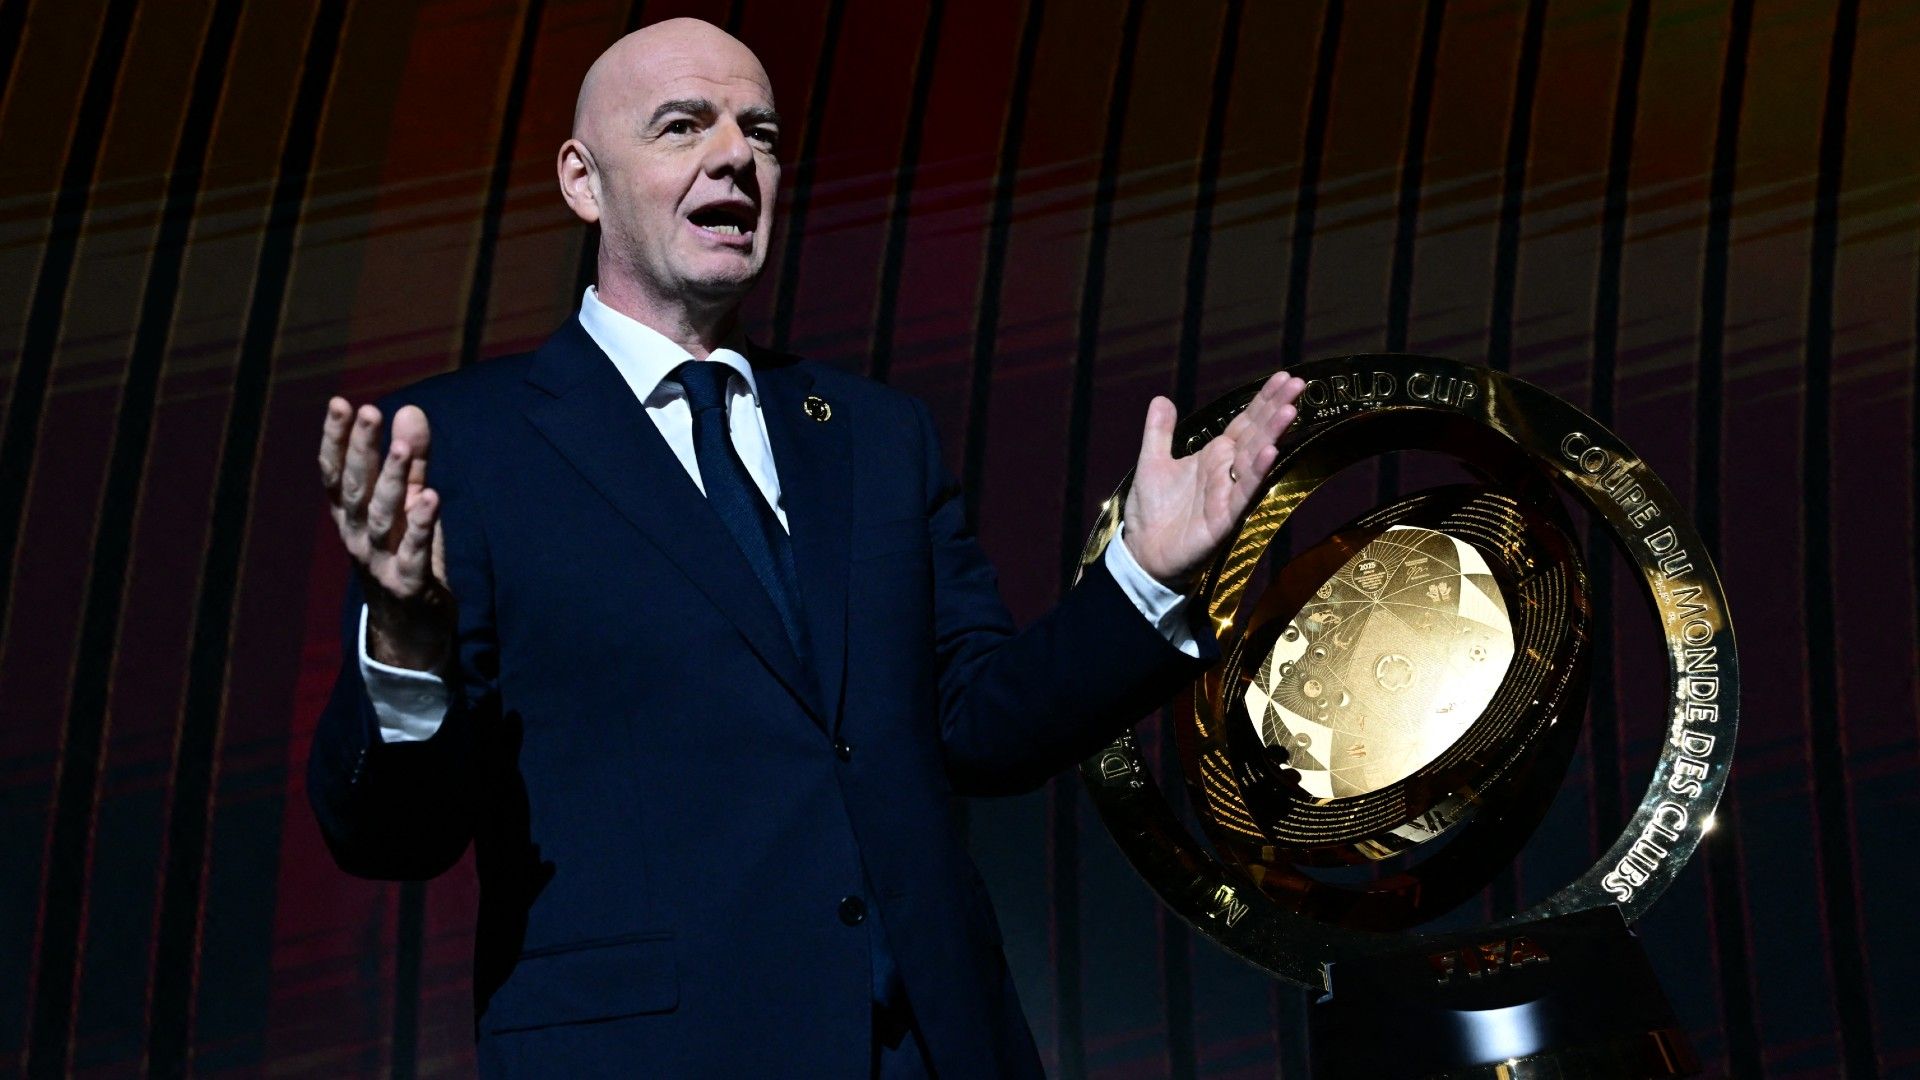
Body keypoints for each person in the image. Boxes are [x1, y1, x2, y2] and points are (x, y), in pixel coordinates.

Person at [308, 17, 1306, 1078]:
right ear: (582, 181)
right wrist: (407, 642)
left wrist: (1141, 578)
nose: (736, 155)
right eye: (684, 124)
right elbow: (393, 838)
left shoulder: (875, 434)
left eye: (763, 133)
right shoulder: (464, 444)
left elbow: (977, 725)